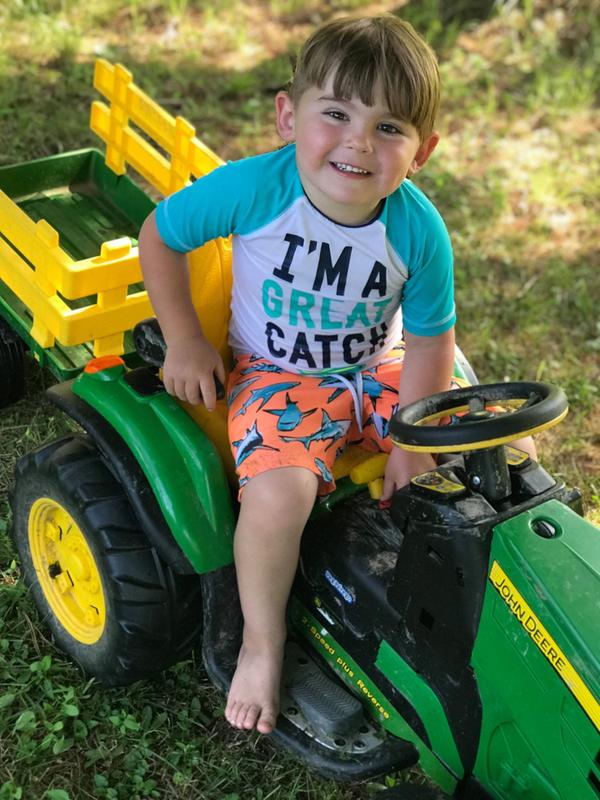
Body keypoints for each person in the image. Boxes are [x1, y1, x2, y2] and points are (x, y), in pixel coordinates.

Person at [138, 14, 535, 736]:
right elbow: (161, 235)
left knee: (503, 447)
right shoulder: (255, 189)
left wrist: (413, 439)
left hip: (382, 367)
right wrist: (185, 339)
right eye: (337, 114)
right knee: (277, 497)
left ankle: (510, 609)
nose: (358, 141)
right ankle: (261, 641)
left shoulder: (418, 229)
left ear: (422, 152)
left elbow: (430, 340)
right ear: (289, 116)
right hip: (279, 374)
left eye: (389, 128)